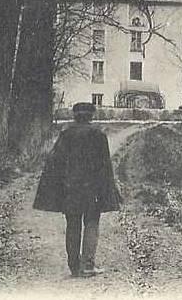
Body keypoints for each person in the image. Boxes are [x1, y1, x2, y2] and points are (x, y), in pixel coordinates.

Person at [33, 102, 121, 277]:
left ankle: (74, 266)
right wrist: (108, 190)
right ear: (91, 116)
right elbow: (105, 167)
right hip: (93, 189)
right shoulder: (98, 135)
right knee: (91, 223)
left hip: (70, 189)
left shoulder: (66, 135)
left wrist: (55, 189)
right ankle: (88, 266)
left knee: (72, 224)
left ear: (75, 116)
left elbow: (54, 164)